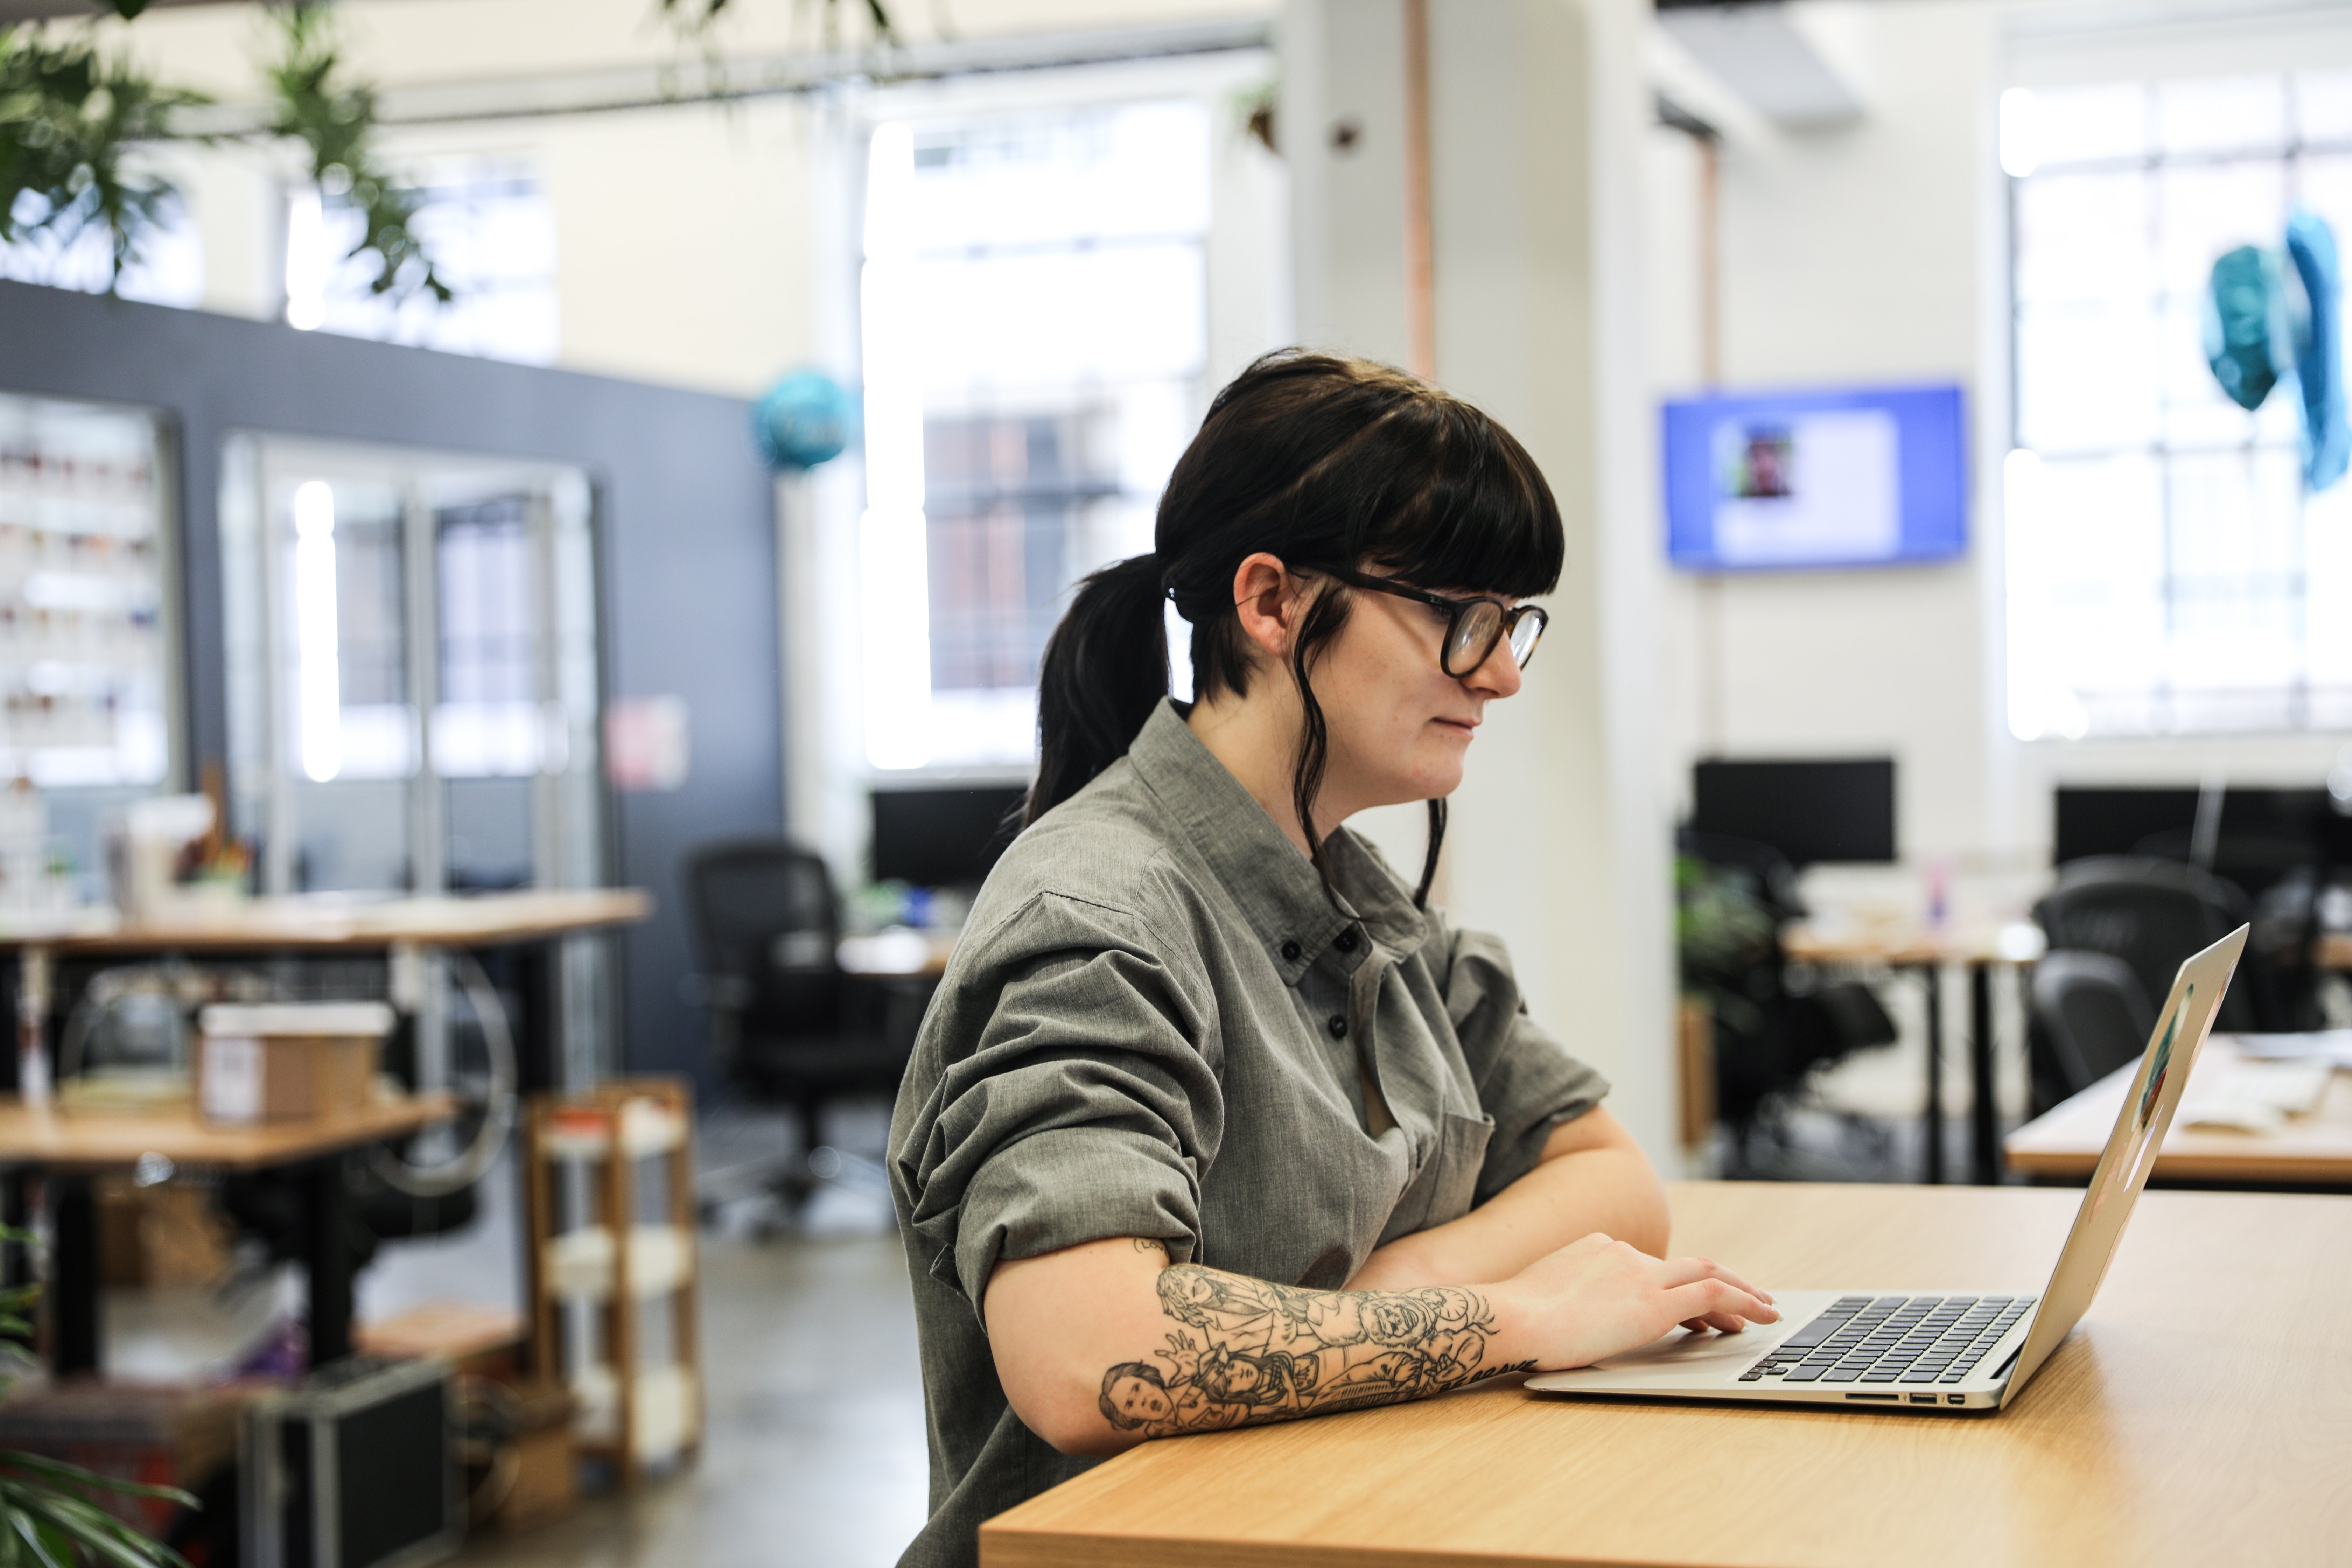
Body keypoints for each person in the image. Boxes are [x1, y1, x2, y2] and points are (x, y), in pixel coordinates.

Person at [887, 351, 1775, 1568]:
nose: (1503, 672)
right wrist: (1513, 1314)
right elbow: (1087, 1352)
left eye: (1511, 624)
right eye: (1462, 619)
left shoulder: (1355, 900)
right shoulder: (1098, 910)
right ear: (1273, 606)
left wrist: (1383, 1295)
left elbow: (1615, 1182)